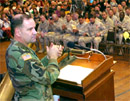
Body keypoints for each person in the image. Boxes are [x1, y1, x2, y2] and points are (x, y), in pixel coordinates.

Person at [5, 14, 63, 101]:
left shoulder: (20, 48)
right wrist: (53, 58)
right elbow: (48, 78)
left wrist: (48, 57)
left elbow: (35, 67)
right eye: (30, 29)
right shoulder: (19, 54)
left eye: (34, 28)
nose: (35, 32)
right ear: (18, 32)